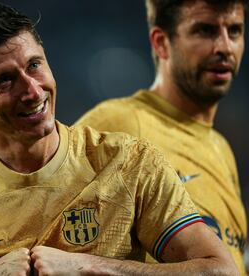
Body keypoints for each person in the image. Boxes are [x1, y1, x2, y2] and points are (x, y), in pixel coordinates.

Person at [0, 2, 238, 275]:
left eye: (34, 65)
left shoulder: (130, 162)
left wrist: (90, 266)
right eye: (5, 80)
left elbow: (220, 270)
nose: (33, 91)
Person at [77, 0, 248, 274]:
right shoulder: (119, 124)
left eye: (235, 31)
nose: (225, 47)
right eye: (205, 30)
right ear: (161, 43)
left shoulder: (221, 148)